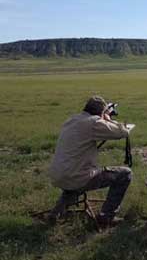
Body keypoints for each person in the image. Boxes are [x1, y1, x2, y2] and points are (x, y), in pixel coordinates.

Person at [48, 96, 132, 226]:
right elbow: (122, 132)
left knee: (74, 178)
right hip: (77, 176)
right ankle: (106, 217)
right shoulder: (94, 122)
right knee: (125, 174)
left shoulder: (72, 119)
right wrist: (108, 119)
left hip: (57, 174)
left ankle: (56, 213)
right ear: (101, 112)